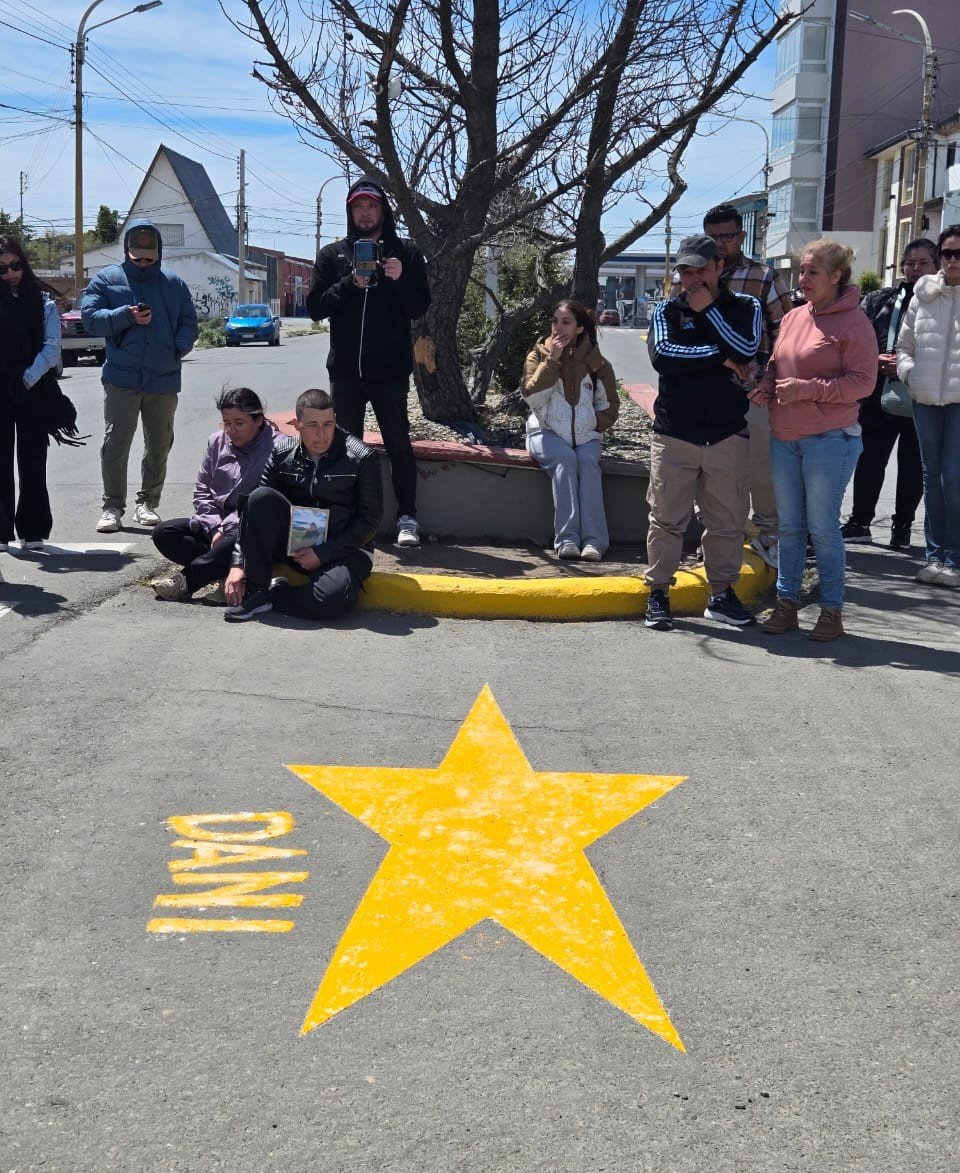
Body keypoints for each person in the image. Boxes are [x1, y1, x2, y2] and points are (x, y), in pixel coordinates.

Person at [752, 240, 878, 641]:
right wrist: (766, 386)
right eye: (802, 271)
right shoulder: (794, 317)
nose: (803, 279)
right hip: (784, 437)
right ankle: (786, 604)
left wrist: (805, 389)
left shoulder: (855, 323)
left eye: (812, 272)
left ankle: (831, 611)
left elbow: (863, 383)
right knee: (790, 527)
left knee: (822, 528)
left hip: (830, 439)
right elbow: (776, 363)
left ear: (836, 276)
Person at [645, 234, 762, 631]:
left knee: (726, 522)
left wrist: (708, 312)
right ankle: (658, 594)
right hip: (674, 434)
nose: (693, 279)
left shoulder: (745, 306)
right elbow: (664, 357)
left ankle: (722, 595)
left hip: (727, 434)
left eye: (701, 270)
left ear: (719, 268)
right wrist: (720, 358)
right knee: (665, 520)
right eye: (685, 271)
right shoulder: (666, 310)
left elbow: (745, 349)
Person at [306, 178, 430, 549]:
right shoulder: (332, 255)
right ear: (350, 211)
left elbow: (419, 306)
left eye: (372, 206)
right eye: (358, 207)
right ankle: (348, 520)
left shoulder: (406, 252)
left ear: (383, 211)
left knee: (398, 444)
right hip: (346, 372)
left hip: (390, 372)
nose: (365, 213)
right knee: (345, 448)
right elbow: (315, 308)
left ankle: (407, 517)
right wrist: (349, 283)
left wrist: (399, 278)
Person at [223, 387, 382, 623]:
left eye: (328, 424)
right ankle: (256, 593)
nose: (321, 434)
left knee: (333, 599)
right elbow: (254, 512)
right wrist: (238, 564)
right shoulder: (281, 453)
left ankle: (277, 594)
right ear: (297, 425)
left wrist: (323, 553)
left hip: (346, 548)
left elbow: (370, 520)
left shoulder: (361, 457)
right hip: (297, 542)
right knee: (260, 497)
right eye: (312, 425)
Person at [81, 221, 198, 534]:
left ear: (159, 253)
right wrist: (125, 316)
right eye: (138, 258)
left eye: (149, 258)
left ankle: (147, 503)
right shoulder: (107, 279)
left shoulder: (173, 283)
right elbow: (90, 318)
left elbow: (189, 322)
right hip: (122, 378)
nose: (144, 263)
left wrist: (177, 347)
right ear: (127, 252)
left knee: (159, 445)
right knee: (115, 445)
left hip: (164, 378)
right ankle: (112, 507)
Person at [701, 204, 794, 569]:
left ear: (741, 236)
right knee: (714, 469)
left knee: (760, 467)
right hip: (705, 391)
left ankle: (770, 534)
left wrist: (770, 380)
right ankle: (719, 534)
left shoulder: (764, 277)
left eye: (726, 236)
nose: (719, 244)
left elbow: (785, 334)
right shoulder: (693, 275)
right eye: (712, 237)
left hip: (753, 390)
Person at [841, 239, 937, 549]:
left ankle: (903, 527)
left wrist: (909, 365)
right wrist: (875, 360)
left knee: (912, 465)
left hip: (921, 395)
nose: (915, 269)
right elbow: (854, 340)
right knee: (869, 459)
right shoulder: (880, 300)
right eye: (909, 263)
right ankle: (860, 522)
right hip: (877, 395)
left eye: (923, 263)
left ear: (936, 266)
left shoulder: (944, 304)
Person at [149, 387, 277, 603]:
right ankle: (223, 574)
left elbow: (261, 501)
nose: (231, 430)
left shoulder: (276, 447)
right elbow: (202, 490)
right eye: (226, 423)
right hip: (214, 525)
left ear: (258, 420)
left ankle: (187, 581)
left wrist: (226, 530)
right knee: (164, 533)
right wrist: (215, 527)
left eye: (239, 423)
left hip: (248, 527)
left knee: (236, 539)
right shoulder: (216, 441)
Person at [521, 301, 619, 560]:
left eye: (566, 322)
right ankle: (567, 540)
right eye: (555, 321)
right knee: (565, 460)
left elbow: (610, 405)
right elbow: (532, 398)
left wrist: (592, 424)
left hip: (586, 437)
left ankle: (595, 543)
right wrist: (552, 361)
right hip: (545, 433)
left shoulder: (597, 363)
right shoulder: (537, 356)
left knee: (587, 464)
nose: (558, 328)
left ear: (579, 328)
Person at [896, 224, 960, 587]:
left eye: (959, 254)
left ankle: (955, 558)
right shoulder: (923, 294)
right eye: (948, 253)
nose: (953, 260)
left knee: (954, 478)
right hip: (925, 400)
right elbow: (904, 346)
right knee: (931, 478)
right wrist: (911, 374)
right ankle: (934, 556)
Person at [0, 235, 62, 550]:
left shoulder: (42, 302)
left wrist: (27, 378)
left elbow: (52, 348)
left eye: (15, 265)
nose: (10, 273)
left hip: (32, 388)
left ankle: (33, 528)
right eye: (2, 268)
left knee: (33, 460)